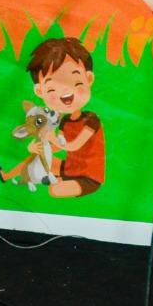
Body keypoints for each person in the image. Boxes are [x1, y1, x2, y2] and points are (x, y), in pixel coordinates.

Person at [26, 37, 103, 198]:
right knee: (36, 160)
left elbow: (74, 146)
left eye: (76, 82)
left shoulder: (91, 119)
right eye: (51, 89)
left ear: (89, 79)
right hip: (68, 169)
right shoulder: (66, 121)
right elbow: (58, 147)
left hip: (88, 177)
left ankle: (59, 181)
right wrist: (37, 147)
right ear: (40, 92)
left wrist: (52, 138)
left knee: (54, 191)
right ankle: (57, 177)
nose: (65, 92)